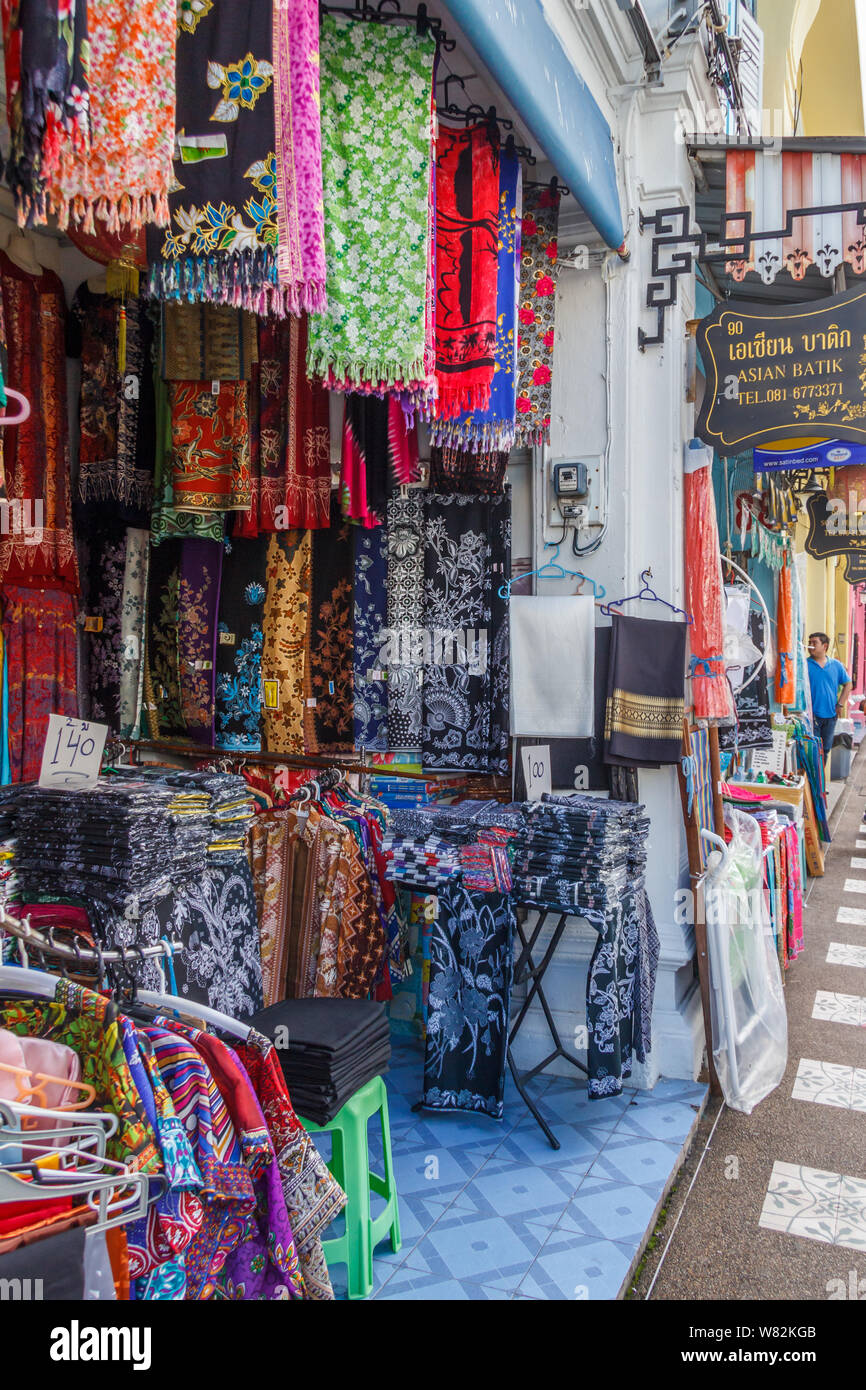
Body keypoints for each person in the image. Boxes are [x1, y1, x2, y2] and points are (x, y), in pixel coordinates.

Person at [807, 632, 852, 763]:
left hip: (830, 716)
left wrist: (840, 704)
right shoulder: (805, 664)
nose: (810, 646)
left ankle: (819, 782)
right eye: (809, 643)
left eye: (814, 643)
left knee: (825, 750)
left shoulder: (836, 665)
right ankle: (813, 782)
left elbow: (848, 684)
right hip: (811, 716)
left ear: (824, 646)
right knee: (813, 750)